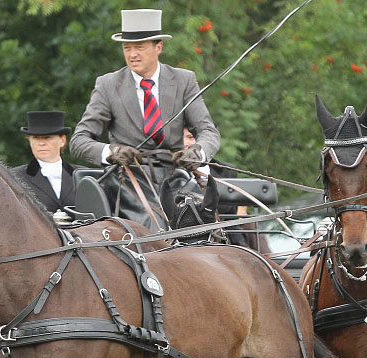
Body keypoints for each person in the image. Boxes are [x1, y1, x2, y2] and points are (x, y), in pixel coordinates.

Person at [70, 8, 220, 170]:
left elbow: (207, 130)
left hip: (176, 177)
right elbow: (79, 141)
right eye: (127, 48)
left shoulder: (183, 80)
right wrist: (111, 152)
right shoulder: (108, 85)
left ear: (159, 47)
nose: (132, 54)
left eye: (139, 47)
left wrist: (198, 152)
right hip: (126, 179)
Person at [12, 111, 79, 216]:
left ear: (62, 140)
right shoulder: (15, 177)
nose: (41, 143)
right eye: (35, 138)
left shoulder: (82, 175)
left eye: (47, 137)